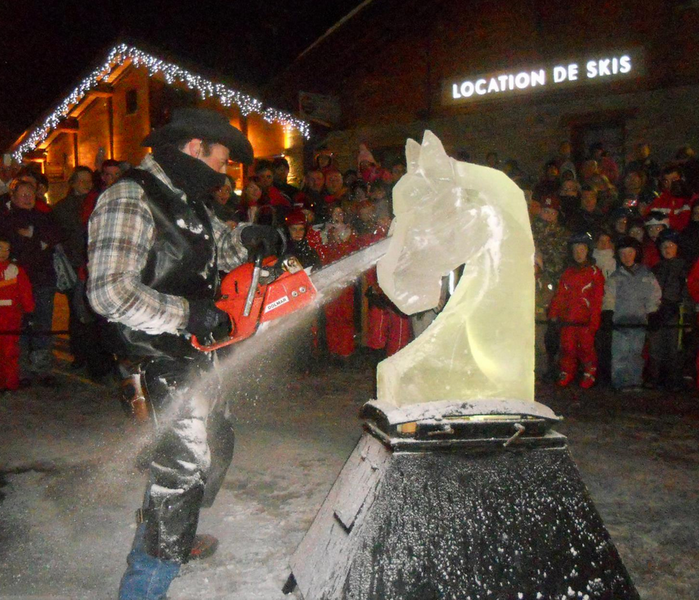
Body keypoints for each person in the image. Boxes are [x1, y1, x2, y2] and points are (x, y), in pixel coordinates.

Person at [86, 108, 279, 600]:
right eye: (222, 160)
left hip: (194, 352)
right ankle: (145, 584)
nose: (225, 173)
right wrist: (186, 314)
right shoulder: (129, 197)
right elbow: (108, 293)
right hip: (154, 356)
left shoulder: (187, 202)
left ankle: (172, 527)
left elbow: (220, 247)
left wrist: (249, 240)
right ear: (195, 149)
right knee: (180, 474)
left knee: (217, 446)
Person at [0, 180, 60, 387]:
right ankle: (22, 369)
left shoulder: (44, 216)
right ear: (13, 196)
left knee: (43, 324)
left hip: (43, 279)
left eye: (30, 195)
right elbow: (13, 247)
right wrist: (36, 241)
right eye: (23, 195)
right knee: (20, 325)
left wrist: (32, 237)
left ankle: (42, 369)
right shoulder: (6, 219)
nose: (27, 199)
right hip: (16, 283)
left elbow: (52, 240)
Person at [602, 236, 661, 391]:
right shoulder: (615, 277)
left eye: (630, 253)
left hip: (639, 322)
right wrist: (608, 312)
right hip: (620, 323)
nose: (626, 257)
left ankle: (635, 381)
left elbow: (653, 296)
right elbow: (609, 296)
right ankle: (620, 382)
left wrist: (653, 312)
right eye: (623, 254)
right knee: (620, 354)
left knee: (636, 354)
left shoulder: (646, 275)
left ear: (636, 253)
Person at [548, 233, 605, 388]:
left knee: (586, 348)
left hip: (585, 320)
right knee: (567, 347)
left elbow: (597, 299)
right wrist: (554, 313)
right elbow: (559, 295)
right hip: (568, 319)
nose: (578, 253)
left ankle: (589, 371)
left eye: (582, 249)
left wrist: (594, 322)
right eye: (575, 250)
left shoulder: (595, 272)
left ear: (588, 251)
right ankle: (566, 371)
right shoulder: (568, 273)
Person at [647, 229, 687, 390]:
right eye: (664, 246)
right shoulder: (656, 268)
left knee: (673, 348)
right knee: (655, 347)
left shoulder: (683, 267)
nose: (667, 249)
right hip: (657, 311)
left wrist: (683, 312)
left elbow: (686, 291)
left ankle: (673, 380)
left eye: (671, 245)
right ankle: (654, 378)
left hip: (675, 312)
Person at [0, 235, 35, 393]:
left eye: (7, 249)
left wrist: (29, 313)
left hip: (10, 319)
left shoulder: (15, 271)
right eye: (1, 248)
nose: (4, 253)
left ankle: (10, 382)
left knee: (10, 351)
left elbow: (25, 293)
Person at [647, 164, 695, 232]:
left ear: (682, 179)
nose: (671, 184)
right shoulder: (659, 200)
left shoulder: (691, 199)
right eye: (666, 181)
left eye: (674, 179)